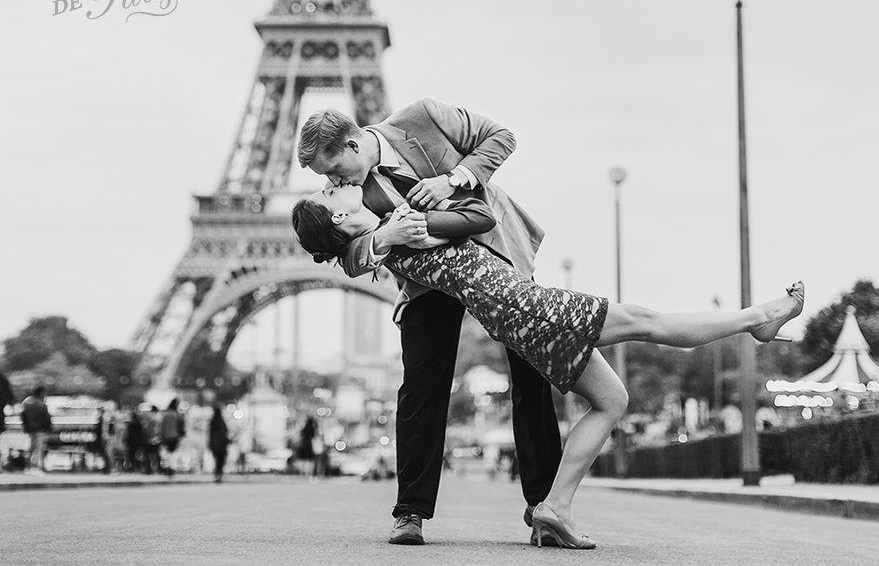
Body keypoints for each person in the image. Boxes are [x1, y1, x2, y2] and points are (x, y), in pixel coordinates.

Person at [292, 187, 805, 549]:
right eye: (331, 192)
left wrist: (380, 235)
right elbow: (475, 215)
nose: (337, 185)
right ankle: (757, 319)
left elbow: (359, 254)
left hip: (518, 314)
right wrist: (444, 187)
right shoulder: (397, 227)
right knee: (647, 322)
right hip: (529, 309)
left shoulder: (382, 239)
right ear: (337, 218)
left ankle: (554, 507)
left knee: (612, 399)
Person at [298, 100, 562, 547]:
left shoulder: (424, 117)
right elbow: (344, 253)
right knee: (421, 386)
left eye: (335, 170)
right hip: (427, 282)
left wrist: (453, 178)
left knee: (531, 377)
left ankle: (543, 508)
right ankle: (411, 511)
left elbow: (502, 137)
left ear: (353, 143)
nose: (334, 182)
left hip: (496, 251)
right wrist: (386, 234)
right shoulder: (350, 193)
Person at [20, 386, 52, 476]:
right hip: (39, 429)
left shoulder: (26, 402)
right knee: (37, 449)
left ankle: (27, 467)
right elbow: (47, 418)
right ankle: (34, 467)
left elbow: (23, 416)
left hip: (29, 429)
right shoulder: (41, 404)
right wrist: (48, 428)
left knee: (29, 449)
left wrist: (25, 426)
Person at [159, 399, 185, 478]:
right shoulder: (177, 414)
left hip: (166, 436)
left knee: (167, 453)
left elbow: (162, 426)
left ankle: (167, 468)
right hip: (174, 436)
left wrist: (162, 436)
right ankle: (171, 468)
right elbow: (181, 426)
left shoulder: (165, 415)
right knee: (173, 453)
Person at [207, 404, 230, 483]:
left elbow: (210, 434)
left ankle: (217, 475)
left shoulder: (213, 422)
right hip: (221, 445)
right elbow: (224, 433)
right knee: (221, 461)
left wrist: (210, 444)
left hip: (215, 445)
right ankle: (219, 475)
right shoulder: (221, 422)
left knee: (217, 460)